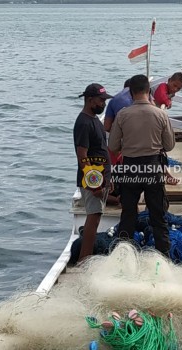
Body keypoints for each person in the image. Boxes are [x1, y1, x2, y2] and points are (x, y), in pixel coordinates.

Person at [108, 74, 175, 257]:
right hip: (153, 167)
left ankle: (123, 255)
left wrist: (128, 145)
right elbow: (169, 145)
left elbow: (113, 146)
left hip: (130, 168)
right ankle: (164, 256)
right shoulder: (160, 114)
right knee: (158, 215)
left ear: (131, 92)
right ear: (149, 91)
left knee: (128, 214)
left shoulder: (122, 115)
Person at [73, 83, 113, 262]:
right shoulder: (83, 122)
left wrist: (107, 178)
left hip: (100, 177)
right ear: (90, 100)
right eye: (101, 100)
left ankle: (85, 258)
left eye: (104, 100)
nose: (104, 104)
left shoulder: (94, 119)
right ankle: (84, 260)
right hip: (92, 180)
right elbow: (82, 155)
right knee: (93, 217)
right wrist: (94, 183)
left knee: (96, 217)